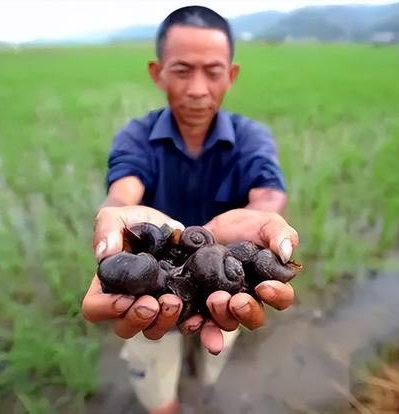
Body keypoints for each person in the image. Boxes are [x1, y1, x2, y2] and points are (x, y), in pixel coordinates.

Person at [81, 6, 300, 414]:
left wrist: (261, 218)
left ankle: (200, 384)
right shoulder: (137, 137)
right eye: (182, 70)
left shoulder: (252, 138)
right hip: (154, 294)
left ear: (231, 75)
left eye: (212, 71)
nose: (198, 88)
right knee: (156, 380)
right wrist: (116, 216)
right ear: (157, 71)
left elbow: (268, 192)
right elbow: (123, 192)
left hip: (219, 290)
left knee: (212, 349)